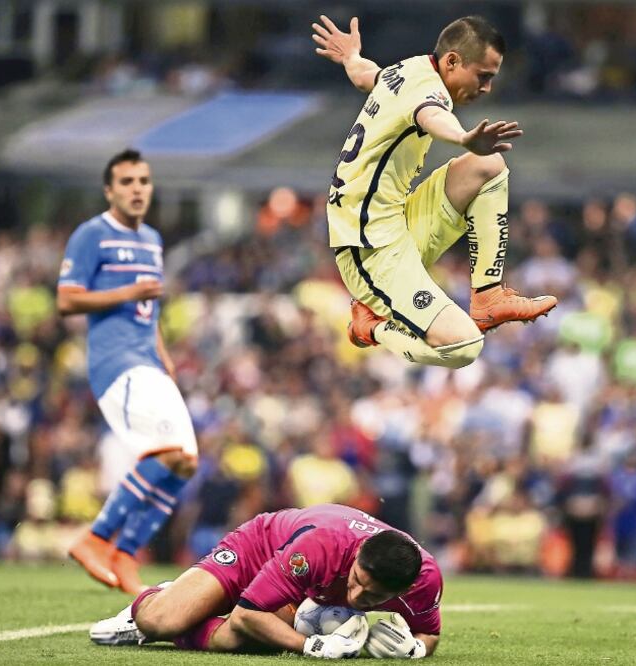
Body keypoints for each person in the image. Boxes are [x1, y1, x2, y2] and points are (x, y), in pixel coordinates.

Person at [313, 15, 557, 369]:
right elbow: (432, 115)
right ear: (453, 61)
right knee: (464, 346)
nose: (487, 87)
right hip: (367, 249)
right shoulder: (430, 93)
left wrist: (351, 57)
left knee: (489, 167)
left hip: (392, 221)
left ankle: (487, 295)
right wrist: (463, 138)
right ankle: (371, 326)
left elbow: (368, 76)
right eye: (483, 76)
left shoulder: (410, 69)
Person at [57, 149, 197, 594]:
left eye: (144, 181)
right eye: (127, 182)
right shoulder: (91, 234)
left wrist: (165, 355)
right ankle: (95, 539)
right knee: (167, 452)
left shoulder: (152, 238)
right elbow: (67, 300)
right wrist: (127, 290)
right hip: (115, 360)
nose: (138, 189)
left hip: (148, 360)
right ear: (109, 190)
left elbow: (148, 309)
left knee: (187, 463)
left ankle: (125, 553)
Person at [89, 503, 442, 659]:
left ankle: (188, 612)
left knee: (237, 640)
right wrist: (310, 647)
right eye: (355, 580)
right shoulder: (322, 547)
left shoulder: (424, 580)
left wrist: (415, 650)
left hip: (304, 590)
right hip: (260, 547)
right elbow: (246, 614)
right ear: (359, 553)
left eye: (372, 596)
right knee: (159, 621)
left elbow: (430, 633)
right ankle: (158, 599)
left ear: (404, 590)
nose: (354, 596)